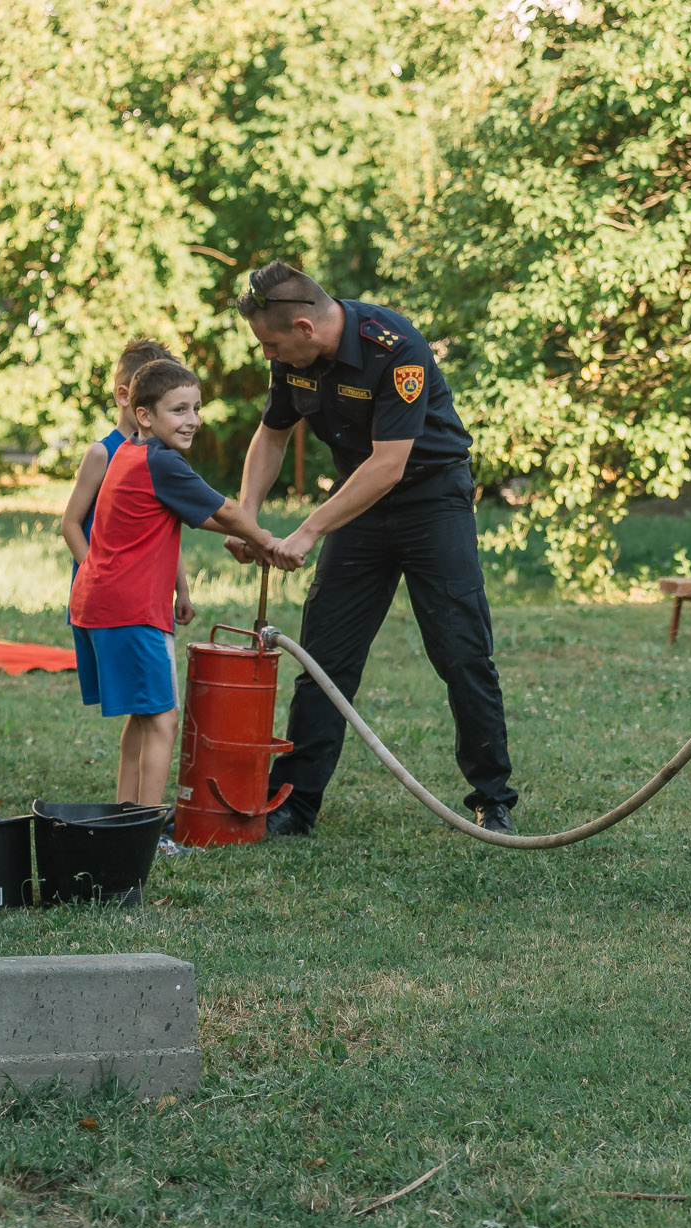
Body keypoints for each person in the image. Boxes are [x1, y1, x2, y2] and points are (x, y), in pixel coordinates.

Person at [228, 261, 518, 836]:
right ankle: (294, 805)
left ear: (305, 328)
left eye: (271, 345)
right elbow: (272, 434)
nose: (268, 355)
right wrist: (246, 517)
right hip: (358, 505)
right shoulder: (293, 359)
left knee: (461, 652)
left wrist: (308, 531)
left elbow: (389, 464)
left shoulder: (395, 347)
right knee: (324, 657)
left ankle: (493, 798)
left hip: (432, 501)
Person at [69, 360, 279, 809]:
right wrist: (269, 543)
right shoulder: (161, 462)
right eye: (179, 410)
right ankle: (148, 827)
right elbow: (225, 511)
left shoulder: (130, 453)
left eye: (197, 408)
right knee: (164, 722)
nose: (193, 420)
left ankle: (127, 815)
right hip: (130, 611)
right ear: (145, 415)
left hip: (101, 605)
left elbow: (198, 516)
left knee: (143, 718)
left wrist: (244, 537)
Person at [59, 338, 195, 698]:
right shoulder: (103, 453)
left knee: (149, 702)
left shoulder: (163, 458)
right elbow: (70, 523)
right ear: (126, 396)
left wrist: (182, 589)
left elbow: (166, 533)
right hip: (112, 599)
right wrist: (98, 574)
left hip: (148, 598)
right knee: (153, 705)